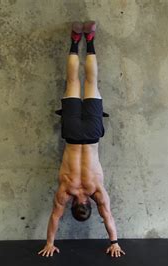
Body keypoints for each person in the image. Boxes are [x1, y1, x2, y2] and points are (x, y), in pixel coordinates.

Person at [38, 21, 125, 258]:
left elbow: (107, 214)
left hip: (92, 134)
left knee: (91, 83)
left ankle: (91, 40)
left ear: (87, 204)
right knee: (74, 82)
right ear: (74, 205)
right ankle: (76, 40)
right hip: (73, 134)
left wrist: (115, 242)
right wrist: (49, 243)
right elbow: (55, 216)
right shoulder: (65, 190)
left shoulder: (96, 191)